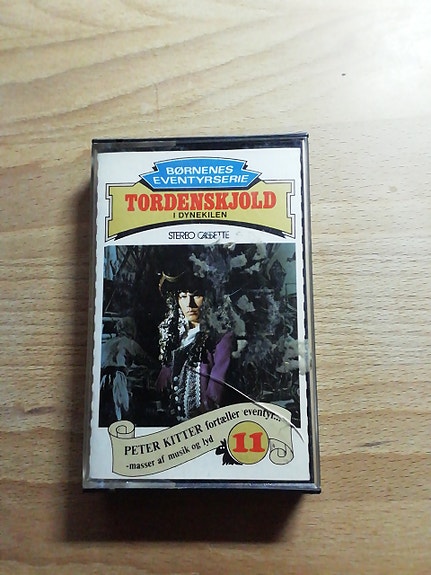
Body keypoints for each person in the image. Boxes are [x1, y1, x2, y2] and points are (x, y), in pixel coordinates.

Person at [156, 269, 233, 423]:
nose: (189, 304)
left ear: (208, 298)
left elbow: (217, 387)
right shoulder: (176, 336)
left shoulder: (221, 337)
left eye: (196, 296)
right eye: (183, 296)